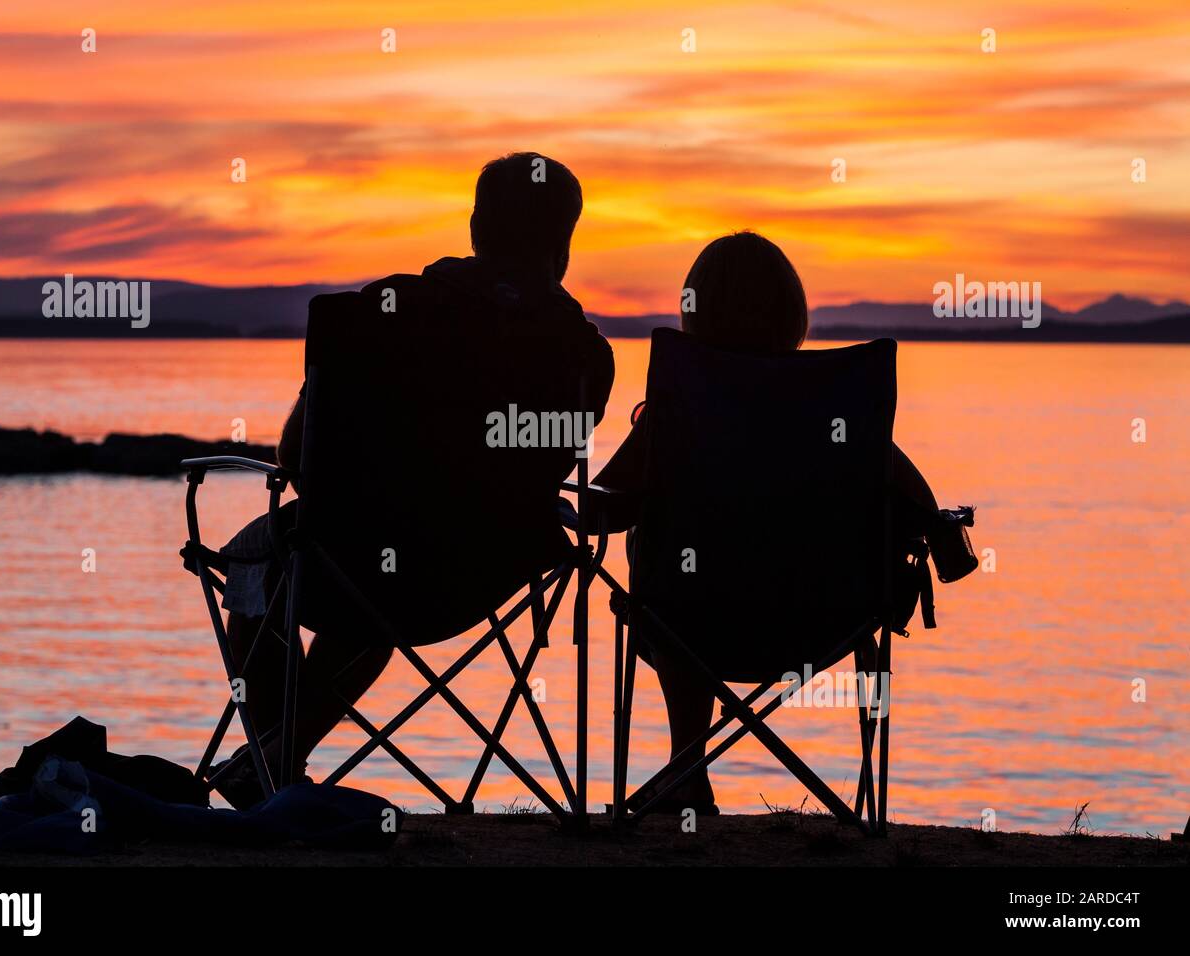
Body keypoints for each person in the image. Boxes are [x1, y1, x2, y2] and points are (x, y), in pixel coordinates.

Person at [213, 153, 614, 809]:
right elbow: (543, 469)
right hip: (481, 570)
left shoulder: (378, 313)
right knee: (379, 583)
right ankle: (277, 761)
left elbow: (293, 457)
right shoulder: (585, 354)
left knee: (261, 563)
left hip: (355, 558)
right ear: (565, 240)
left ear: (477, 227)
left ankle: (270, 764)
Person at [595, 231, 940, 814]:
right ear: (793, 312)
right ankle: (857, 813)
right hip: (825, 619)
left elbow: (605, 507)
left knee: (669, 579)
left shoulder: (678, 415)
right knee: (680, 587)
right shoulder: (837, 406)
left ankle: (687, 767)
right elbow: (922, 504)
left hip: (693, 621)